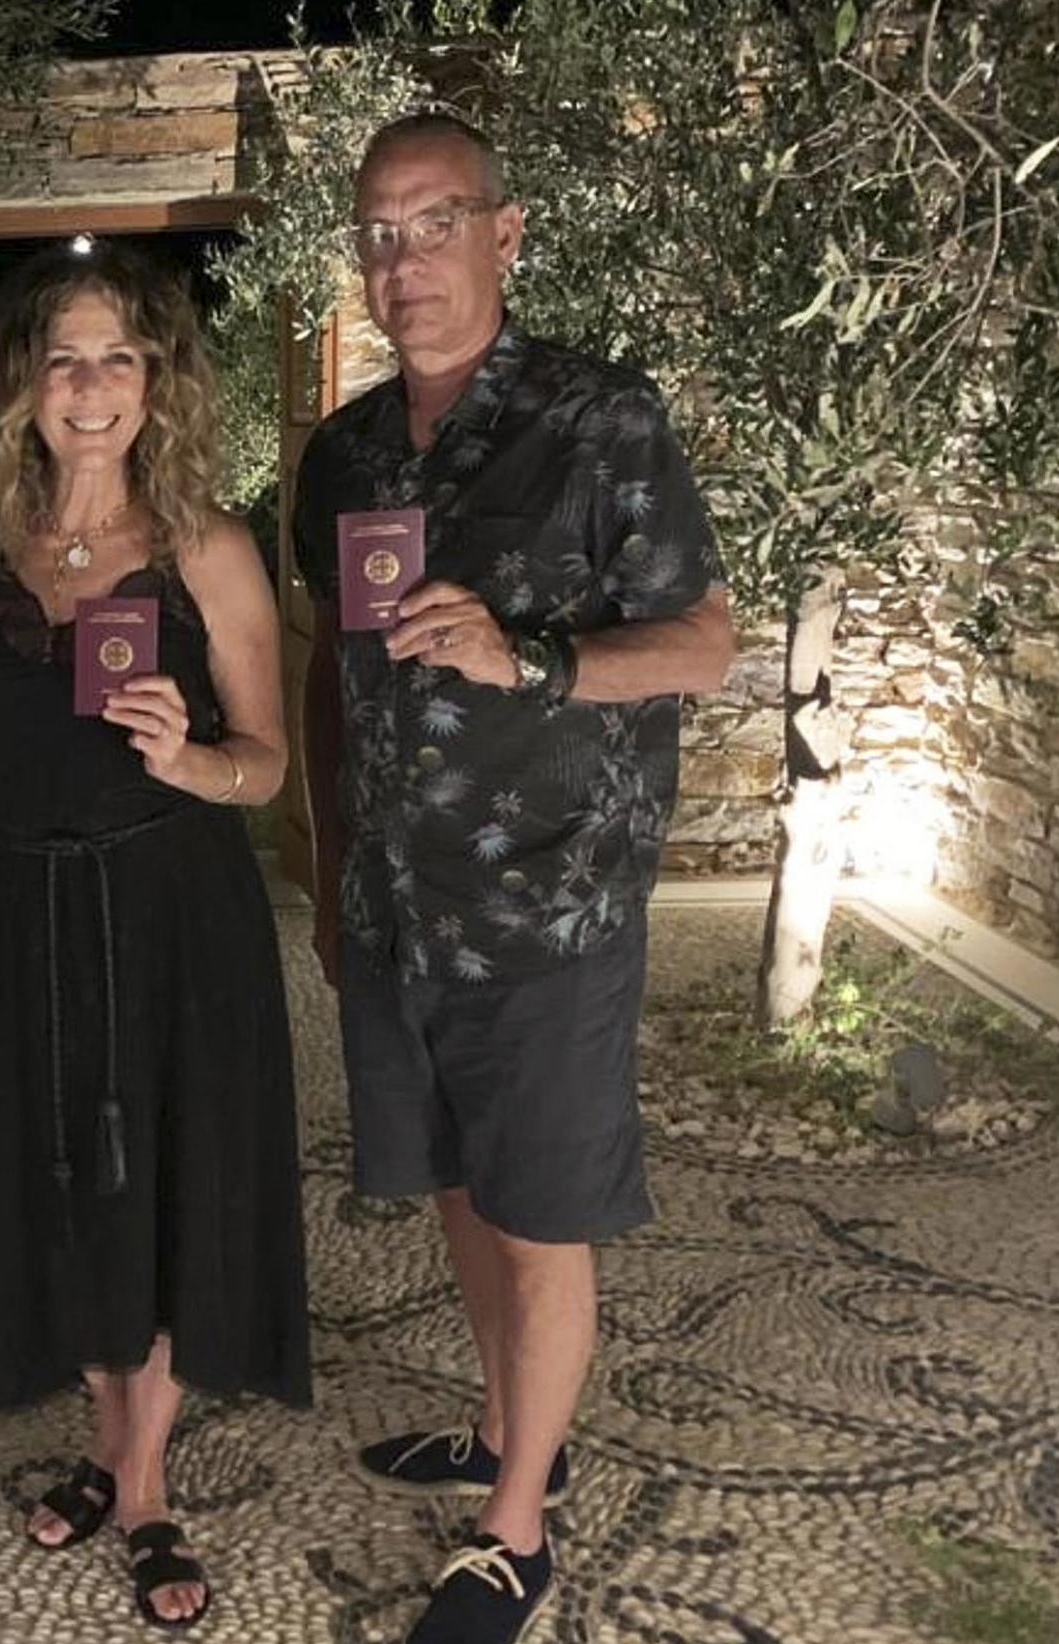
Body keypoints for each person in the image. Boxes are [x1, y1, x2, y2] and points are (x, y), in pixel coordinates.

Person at [293, 113, 736, 1644]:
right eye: (379, 230)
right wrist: (327, 850)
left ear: (506, 232)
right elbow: (332, 674)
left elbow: (703, 645)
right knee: (464, 1192)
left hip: (552, 905)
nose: (402, 259)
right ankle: (498, 1427)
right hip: (398, 906)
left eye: (434, 222)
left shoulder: (599, 417)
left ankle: (516, 1526)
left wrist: (527, 653)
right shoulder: (345, 451)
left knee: (541, 1212)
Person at [0, 242, 312, 1632]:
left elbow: (270, 763)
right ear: (20, 379)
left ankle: (139, 1485)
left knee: (171, 1173)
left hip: (174, 912)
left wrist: (196, 761)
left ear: (158, 382)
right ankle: (103, 1429)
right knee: (61, 1175)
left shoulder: (206, 546)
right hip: (23, 912)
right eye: (62, 356)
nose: (89, 387)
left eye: (117, 359)